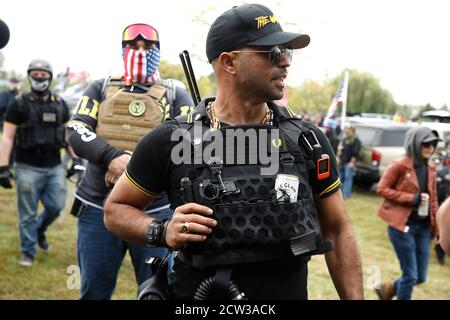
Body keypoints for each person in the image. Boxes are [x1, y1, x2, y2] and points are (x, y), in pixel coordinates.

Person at [104, 4, 363, 300]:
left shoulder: (308, 140)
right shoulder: (171, 139)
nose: (285, 63)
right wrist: (162, 230)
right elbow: (116, 210)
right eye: (273, 52)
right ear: (229, 63)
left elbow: (337, 229)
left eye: (287, 52)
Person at [66, 23, 193, 300]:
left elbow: (189, 139)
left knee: (158, 292)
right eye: (133, 47)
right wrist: (111, 157)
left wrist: (133, 166)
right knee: (93, 291)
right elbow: (76, 130)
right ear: (123, 50)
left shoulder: (174, 92)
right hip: (96, 205)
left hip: (155, 210)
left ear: (157, 51)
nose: (140, 52)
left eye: (148, 47)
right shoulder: (100, 87)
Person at [0, 59, 71, 266]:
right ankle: (28, 251)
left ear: (50, 77)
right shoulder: (18, 104)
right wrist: (3, 167)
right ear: (30, 75)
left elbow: (68, 135)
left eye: (44, 75)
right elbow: (7, 137)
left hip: (54, 166)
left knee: (57, 206)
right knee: (27, 212)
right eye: (36, 74)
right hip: (26, 166)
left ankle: (40, 229)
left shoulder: (60, 104)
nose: (40, 78)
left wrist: (75, 158)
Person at [375, 126, 440, 300]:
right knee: (410, 276)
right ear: (415, 143)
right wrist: (411, 198)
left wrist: (437, 227)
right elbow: (381, 188)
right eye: (426, 144)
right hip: (402, 227)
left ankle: (387, 290)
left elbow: (433, 199)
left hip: (424, 229)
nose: (430, 148)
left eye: (433, 144)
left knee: (420, 277)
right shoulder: (400, 165)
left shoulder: (431, 167)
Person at [339, 126, 361, 199]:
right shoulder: (346, 139)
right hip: (343, 162)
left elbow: (355, 153)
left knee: (348, 179)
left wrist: (352, 163)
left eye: (349, 129)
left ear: (352, 130)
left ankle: (346, 195)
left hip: (349, 163)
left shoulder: (356, 140)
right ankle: (339, 194)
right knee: (340, 178)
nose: (347, 130)